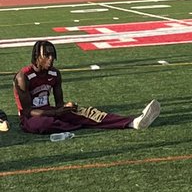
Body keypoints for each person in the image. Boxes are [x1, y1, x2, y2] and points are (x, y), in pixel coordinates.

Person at [14, 40, 160, 134]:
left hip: (51, 111)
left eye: (53, 55)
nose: (51, 59)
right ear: (36, 56)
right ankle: (74, 124)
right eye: (46, 55)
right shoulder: (23, 76)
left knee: (85, 112)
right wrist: (57, 113)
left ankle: (131, 122)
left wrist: (65, 107)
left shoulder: (55, 74)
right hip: (31, 118)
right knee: (43, 124)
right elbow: (27, 111)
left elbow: (59, 103)